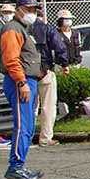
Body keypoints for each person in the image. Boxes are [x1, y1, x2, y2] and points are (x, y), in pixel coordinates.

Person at [0, 0, 43, 179]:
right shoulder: (12, 29)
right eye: (29, 9)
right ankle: (15, 166)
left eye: (34, 10)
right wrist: (22, 82)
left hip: (27, 80)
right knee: (22, 125)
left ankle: (20, 164)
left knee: (29, 126)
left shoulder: (24, 29)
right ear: (19, 10)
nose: (32, 13)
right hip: (19, 82)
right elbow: (11, 60)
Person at [30, 9, 70, 147]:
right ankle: (45, 138)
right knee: (48, 106)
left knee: (31, 107)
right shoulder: (47, 29)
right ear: (41, 17)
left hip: (28, 72)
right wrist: (64, 64)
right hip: (45, 70)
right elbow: (59, 47)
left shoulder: (22, 29)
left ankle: (26, 135)